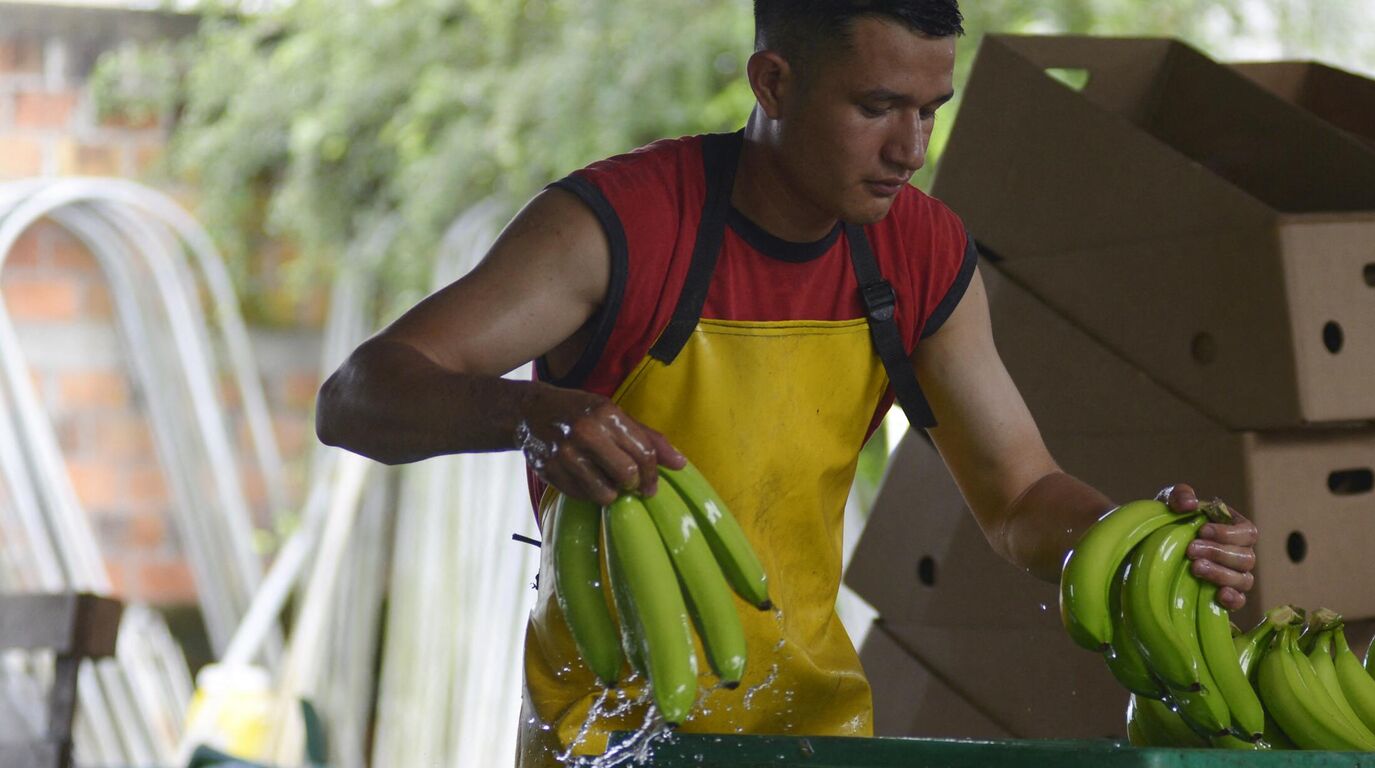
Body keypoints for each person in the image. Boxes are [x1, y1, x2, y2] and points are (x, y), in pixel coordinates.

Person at [314, 0, 1259, 762]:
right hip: (608, 741)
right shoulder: (619, 227)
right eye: (877, 107)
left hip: (811, 733)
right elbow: (358, 395)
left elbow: (1017, 497)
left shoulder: (923, 253)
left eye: (931, 110)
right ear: (774, 80)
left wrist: (1131, 541)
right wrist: (529, 414)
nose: (912, 149)